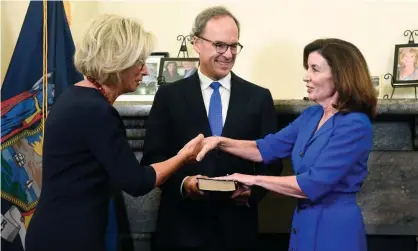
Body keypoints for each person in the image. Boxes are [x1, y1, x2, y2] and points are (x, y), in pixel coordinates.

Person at [25, 14, 203, 251]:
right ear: (118, 61)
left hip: (54, 230)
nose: (146, 72)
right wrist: (184, 155)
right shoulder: (96, 111)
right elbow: (137, 182)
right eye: (140, 62)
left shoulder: (76, 96)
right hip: (69, 237)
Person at [196, 38, 377, 251]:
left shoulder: (355, 125)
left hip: (335, 228)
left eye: (315, 69)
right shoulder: (311, 115)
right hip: (303, 223)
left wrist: (251, 179)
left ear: (340, 76)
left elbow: (312, 185)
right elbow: (265, 148)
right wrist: (219, 142)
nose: (306, 76)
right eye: (307, 68)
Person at [140, 6, 282, 251]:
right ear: (196, 43)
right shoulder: (169, 96)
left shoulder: (258, 97)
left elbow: (273, 159)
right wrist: (185, 184)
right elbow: (154, 158)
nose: (228, 54)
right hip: (182, 229)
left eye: (233, 46)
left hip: (238, 230)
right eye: (219, 45)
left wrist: (252, 192)